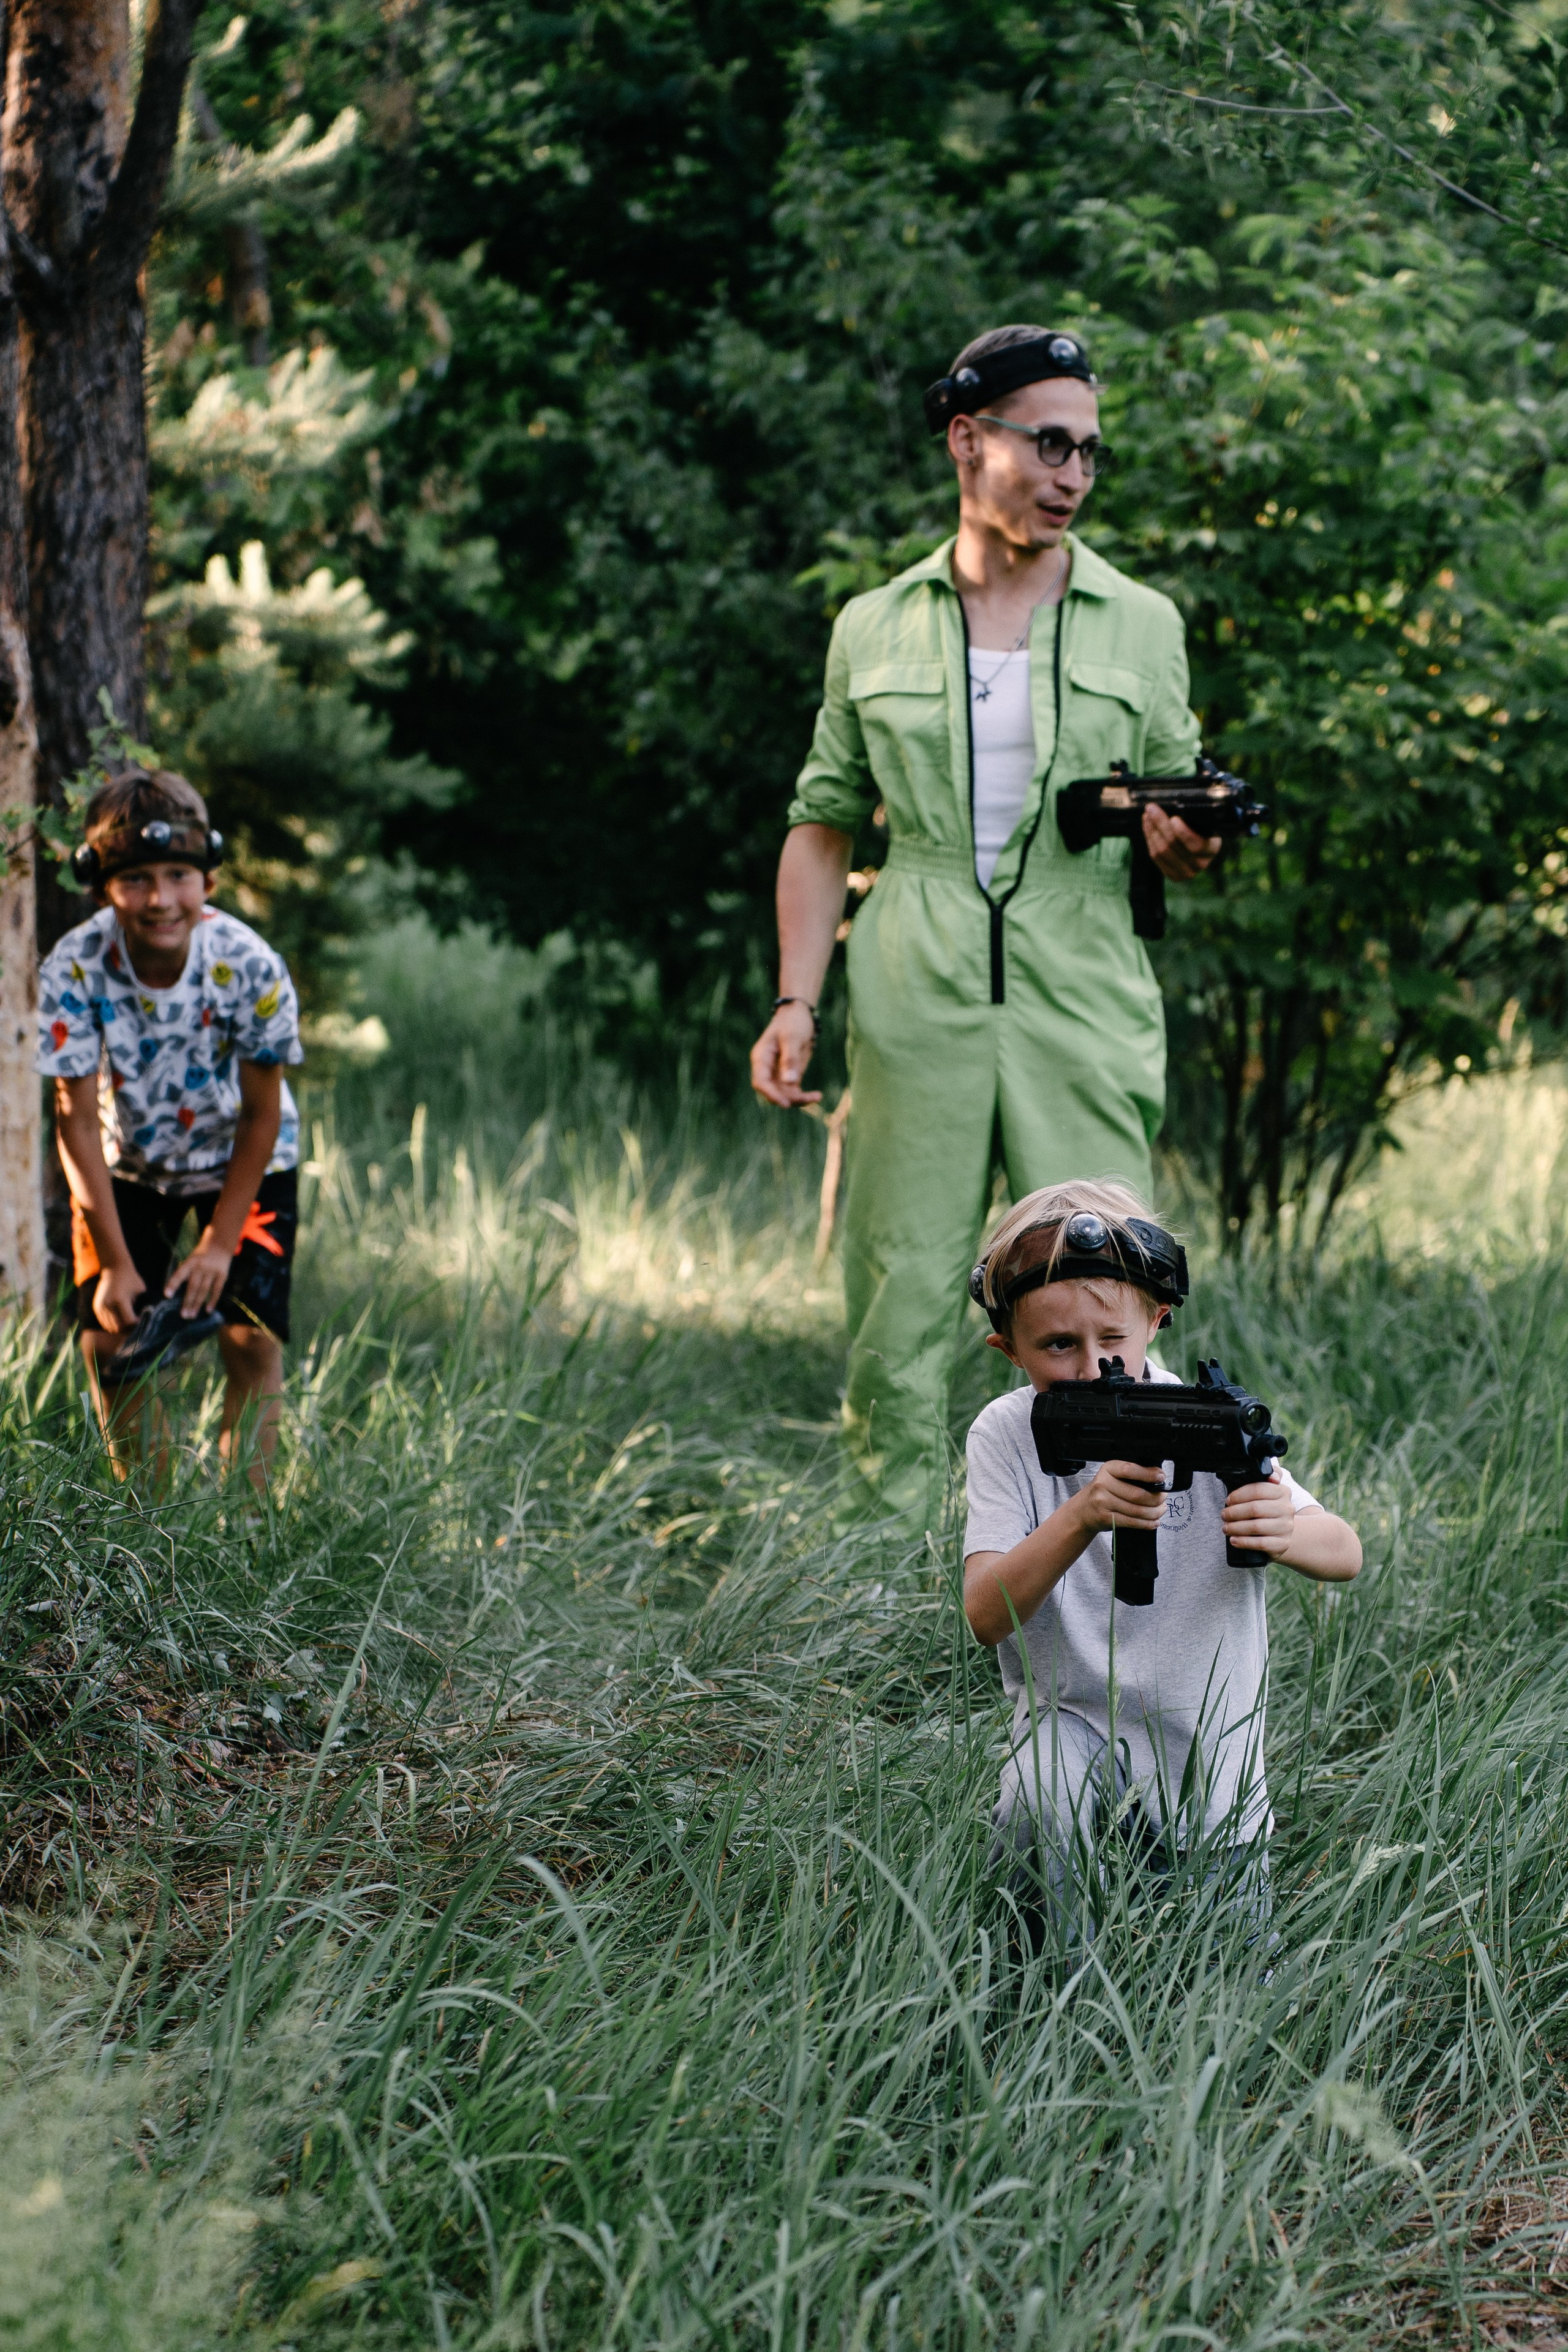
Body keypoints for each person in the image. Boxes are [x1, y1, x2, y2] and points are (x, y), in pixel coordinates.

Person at [749, 322, 1225, 1519]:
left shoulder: (1142, 622)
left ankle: (1112, 1567)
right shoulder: (874, 626)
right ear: (969, 440)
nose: (1071, 475)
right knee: (899, 1286)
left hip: (1082, 985)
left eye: (1090, 454)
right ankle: (904, 1568)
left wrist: (1187, 837)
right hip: (917, 985)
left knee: (1106, 1287)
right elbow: (820, 823)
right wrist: (796, 1000)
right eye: (1048, 444)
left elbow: (1179, 801)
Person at [962, 1177, 1361, 1948]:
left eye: (1113, 1341)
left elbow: (1343, 1552)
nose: (1091, 1368)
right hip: (1072, 1734)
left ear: (1157, 1319)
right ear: (1005, 1346)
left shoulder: (1199, 1419)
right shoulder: (1007, 1434)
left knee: (1232, 1996)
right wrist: (1080, 1515)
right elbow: (985, 1612)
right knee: (1040, 1822)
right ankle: (1050, 2004)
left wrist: (1280, 1527)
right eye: (1056, 1345)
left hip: (1207, 1761)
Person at [36, 766, 303, 1487]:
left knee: (249, 1335)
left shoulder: (250, 966)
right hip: (129, 1164)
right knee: (109, 1336)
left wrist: (219, 1244)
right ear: (100, 885)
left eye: (179, 874)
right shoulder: (74, 969)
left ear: (208, 879)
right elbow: (76, 1123)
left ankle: (250, 1518)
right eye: (137, 880)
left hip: (245, 1158)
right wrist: (117, 1263)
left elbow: (261, 1113)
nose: (160, 899)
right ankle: (147, 1521)